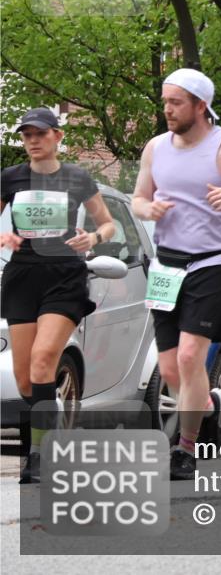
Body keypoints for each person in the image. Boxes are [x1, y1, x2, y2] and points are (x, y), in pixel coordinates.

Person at [132, 68, 221, 480]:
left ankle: (186, 448)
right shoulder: (156, 148)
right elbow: (139, 200)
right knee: (171, 369)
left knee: (190, 355)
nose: (167, 110)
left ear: (200, 105)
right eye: (164, 101)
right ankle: (208, 405)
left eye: (175, 102)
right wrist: (150, 209)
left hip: (212, 262)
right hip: (166, 265)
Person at [0, 108, 117, 484]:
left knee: (43, 359)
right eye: (26, 135)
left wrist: (93, 239)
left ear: (57, 137)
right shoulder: (11, 177)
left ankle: (38, 456)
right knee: (25, 381)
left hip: (64, 276)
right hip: (22, 276)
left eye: (40, 134)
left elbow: (108, 224)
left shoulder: (76, 177)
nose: (33, 141)